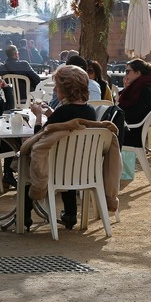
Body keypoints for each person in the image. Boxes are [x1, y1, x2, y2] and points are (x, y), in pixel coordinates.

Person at [24, 64, 98, 229]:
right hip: (80, 168)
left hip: (54, 169)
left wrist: (37, 116)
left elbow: (40, 137)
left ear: (64, 89)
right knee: (68, 158)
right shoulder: (90, 111)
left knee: (26, 161)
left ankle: (24, 217)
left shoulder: (62, 113)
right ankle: (70, 214)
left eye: (57, 85)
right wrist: (50, 113)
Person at [117, 58, 151, 148]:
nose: (125, 75)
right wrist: (126, 89)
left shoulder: (142, 89)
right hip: (130, 128)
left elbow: (133, 114)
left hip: (132, 132)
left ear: (138, 73)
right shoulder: (139, 87)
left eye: (128, 72)